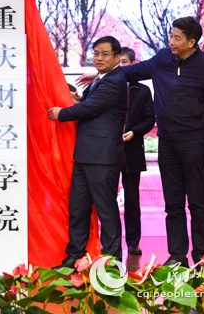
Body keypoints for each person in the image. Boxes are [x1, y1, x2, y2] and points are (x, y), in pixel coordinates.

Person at [77, 17, 204, 267]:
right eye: (171, 36)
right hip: (167, 141)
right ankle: (177, 256)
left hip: (195, 142)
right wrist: (101, 73)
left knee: (197, 203)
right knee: (173, 203)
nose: (171, 41)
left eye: (177, 38)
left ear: (192, 42)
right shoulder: (162, 59)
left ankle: (201, 256)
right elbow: (131, 72)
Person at [48, 36, 127, 268]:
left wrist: (61, 113)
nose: (99, 58)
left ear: (116, 57)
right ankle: (74, 256)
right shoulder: (102, 79)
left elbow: (91, 108)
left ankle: (112, 262)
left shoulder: (114, 80)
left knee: (106, 211)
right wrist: (79, 99)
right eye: (96, 53)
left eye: (105, 54)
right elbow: (92, 104)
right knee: (78, 209)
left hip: (103, 157)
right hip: (85, 154)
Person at [119, 47, 155, 256]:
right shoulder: (107, 87)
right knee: (106, 200)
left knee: (132, 199)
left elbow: (150, 119)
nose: (121, 67)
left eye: (125, 62)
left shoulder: (142, 91)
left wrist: (135, 131)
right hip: (109, 152)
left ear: (133, 64)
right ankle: (110, 242)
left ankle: (133, 242)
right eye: (118, 62)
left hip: (132, 151)